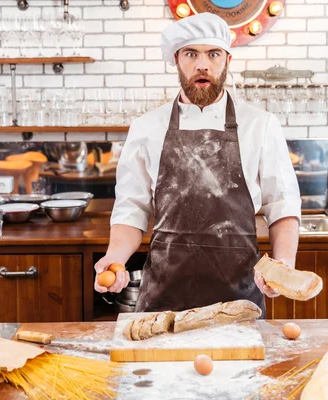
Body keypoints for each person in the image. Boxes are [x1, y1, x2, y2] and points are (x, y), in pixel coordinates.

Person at [94, 13, 301, 317]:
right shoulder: (146, 127)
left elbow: (282, 205)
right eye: (191, 54)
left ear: (227, 60)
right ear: (177, 60)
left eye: (213, 54)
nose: (202, 64)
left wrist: (282, 267)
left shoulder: (261, 125)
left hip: (238, 299)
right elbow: (132, 208)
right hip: (164, 300)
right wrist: (115, 257)